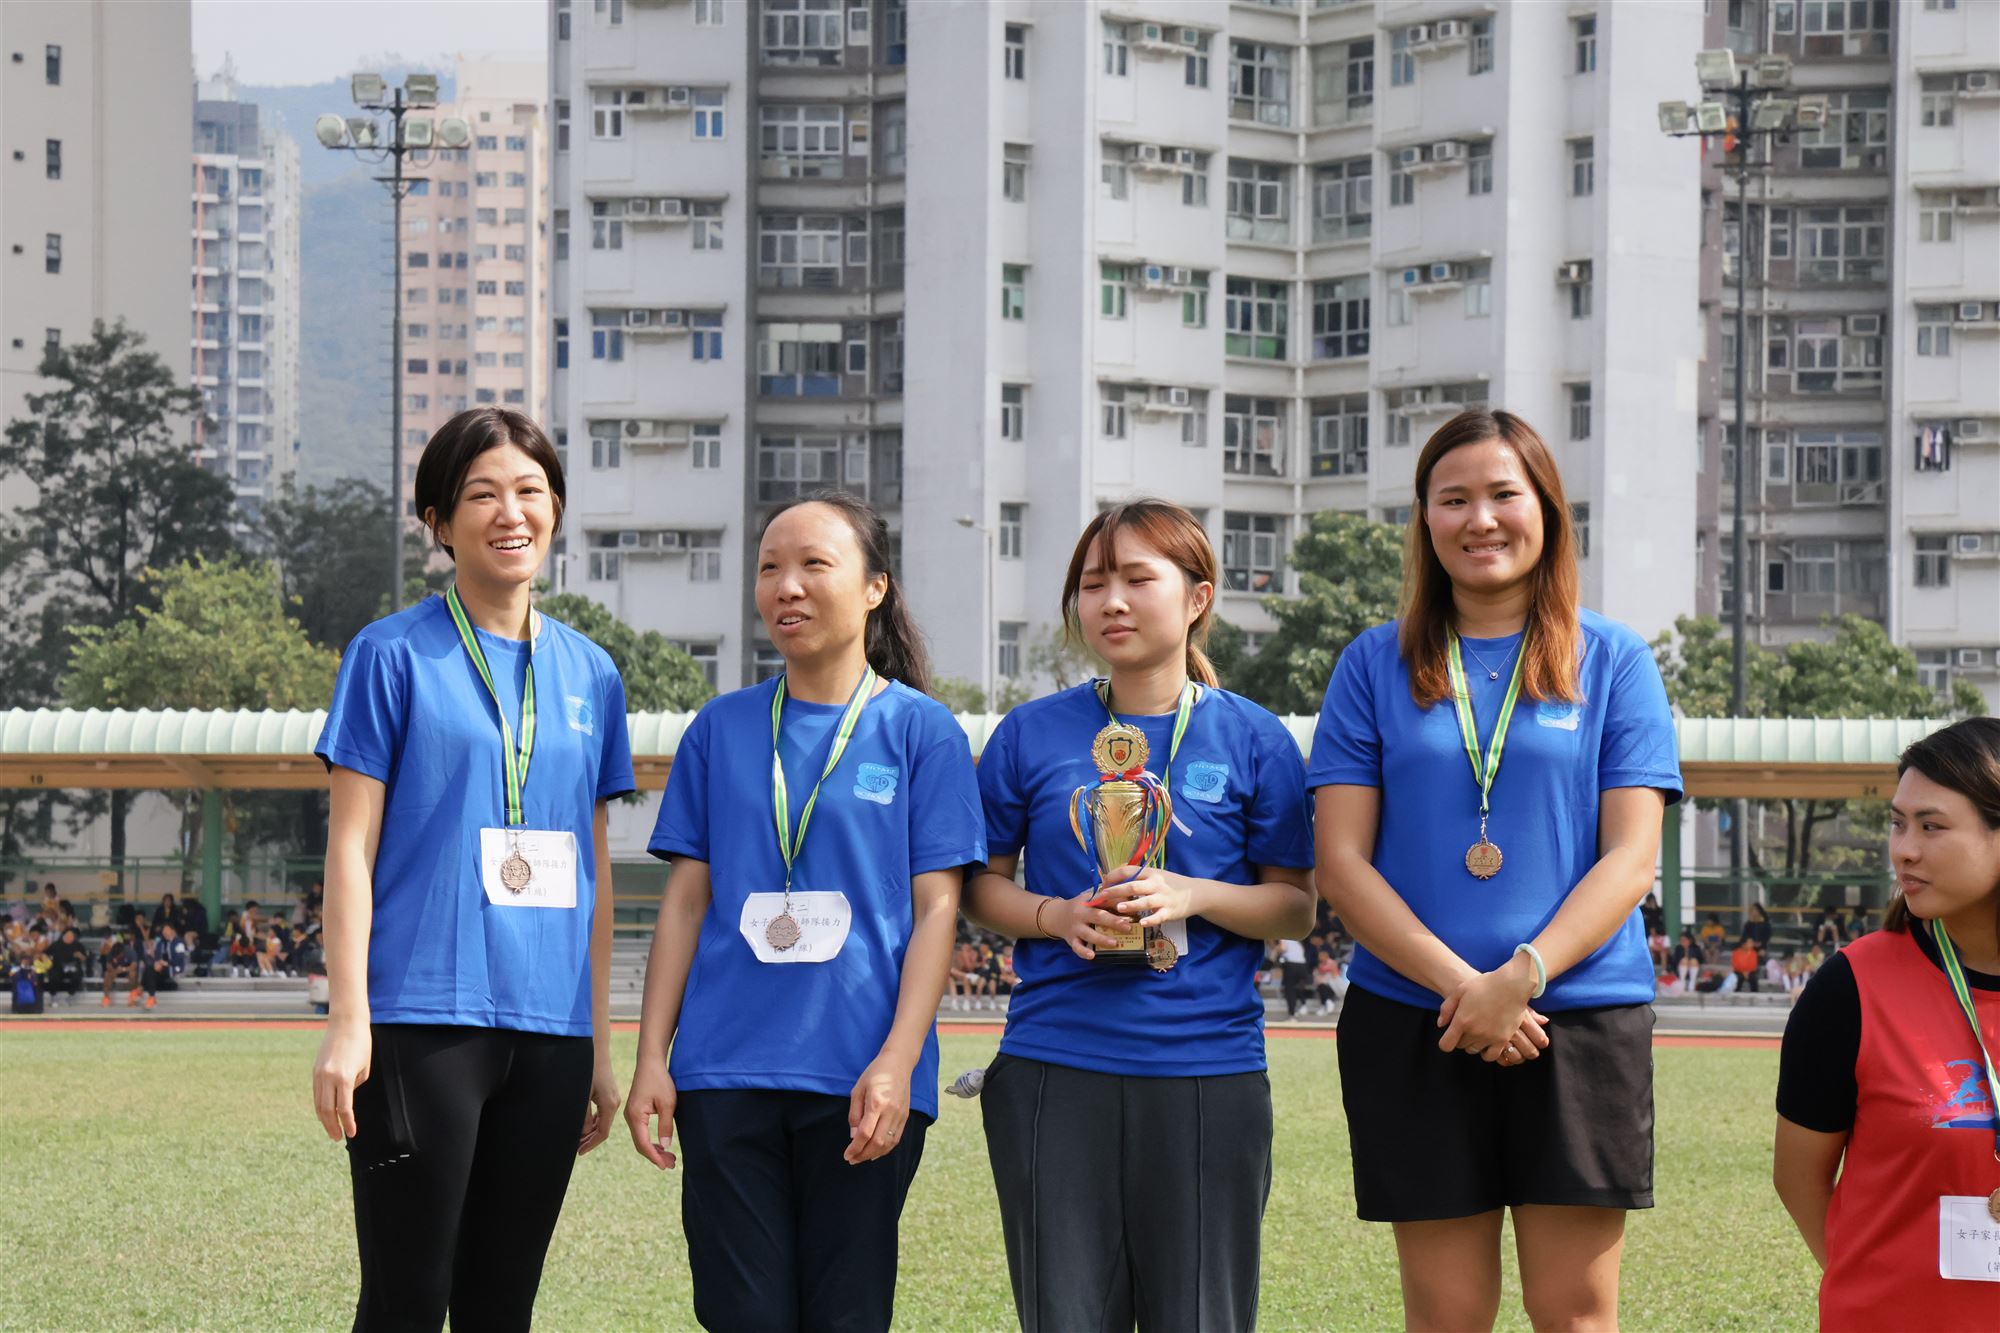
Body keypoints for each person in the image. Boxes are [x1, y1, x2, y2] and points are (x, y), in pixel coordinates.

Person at [1309, 410, 1682, 1331]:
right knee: (1445, 1317)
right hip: (1416, 1017)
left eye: (1504, 494)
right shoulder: (1372, 663)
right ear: (1424, 520)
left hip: (1577, 1015)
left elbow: (1632, 855)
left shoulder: (1615, 659)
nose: (1480, 519)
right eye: (1454, 499)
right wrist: (1466, 990)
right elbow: (1341, 862)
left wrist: (1520, 978)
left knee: (1577, 1315)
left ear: (1546, 509)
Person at [626, 491, 984, 1333]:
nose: (786, 586)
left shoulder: (922, 732)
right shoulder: (720, 729)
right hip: (724, 1072)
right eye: (769, 568)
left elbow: (939, 909)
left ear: (875, 587)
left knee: (845, 1317)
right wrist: (650, 1058)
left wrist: (897, 1060)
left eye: (814, 564)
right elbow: (685, 905)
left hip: (862, 1077)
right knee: (742, 1315)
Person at [309, 406, 634, 1331]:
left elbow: (595, 869)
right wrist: (348, 1019)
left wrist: (599, 1042)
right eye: (482, 494)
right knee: (406, 1302)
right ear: (440, 521)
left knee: (503, 1307)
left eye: (530, 490)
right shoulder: (388, 655)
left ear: (556, 509)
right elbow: (349, 846)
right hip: (421, 1024)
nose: (510, 512)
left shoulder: (593, 674)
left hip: (553, 1034)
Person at [961, 499, 1316, 1333]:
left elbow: (1296, 906)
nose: (1111, 601)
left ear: (1197, 597)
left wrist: (1195, 894)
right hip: (1055, 1065)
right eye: (1093, 583)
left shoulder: (1254, 737)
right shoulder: (1029, 732)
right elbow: (980, 886)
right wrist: (1055, 914)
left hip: (1207, 1071)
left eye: (1136, 578)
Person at [1773, 716, 2000, 1331]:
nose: (1904, 849)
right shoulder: (1849, 988)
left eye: (1931, 826)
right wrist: (1870, 1280)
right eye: (1898, 824)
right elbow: (1798, 1177)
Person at [140, 923, 188, 1010]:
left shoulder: (179, 943)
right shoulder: (161, 943)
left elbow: (179, 959)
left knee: (150, 971)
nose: (164, 932)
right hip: (161, 969)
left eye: (166, 930)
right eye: (163, 931)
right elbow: (157, 957)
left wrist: (166, 963)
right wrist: (157, 962)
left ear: (172, 931)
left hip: (175, 969)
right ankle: (151, 997)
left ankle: (142, 989)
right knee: (149, 967)